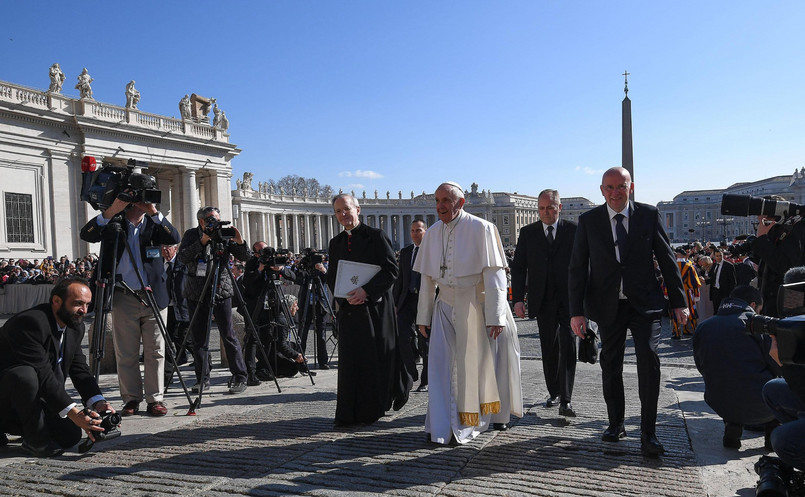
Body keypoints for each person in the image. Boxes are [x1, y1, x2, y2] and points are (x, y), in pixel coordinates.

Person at [568, 167, 688, 457]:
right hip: (608, 305)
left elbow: (667, 258)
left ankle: (649, 434)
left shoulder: (648, 215)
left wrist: (678, 301)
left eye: (620, 186)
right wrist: (576, 312)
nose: (615, 192)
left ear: (630, 187)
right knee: (611, 364)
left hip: (645, 303)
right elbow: (577, 267)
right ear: (601, 190)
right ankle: (616, 423)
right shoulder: (589, 221)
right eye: (609, 187)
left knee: (649, 359)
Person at [415, 182, 523, 444]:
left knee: (475, 365)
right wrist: (423, 316)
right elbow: (427, 280)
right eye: (437, 200)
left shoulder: (482, 228)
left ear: (460, 203)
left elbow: (495, 275)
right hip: (444, 306)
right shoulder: (431, 233)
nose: (440, 206)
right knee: (441, 365)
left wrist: (496, 316)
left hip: (475, 304)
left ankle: (481, 418)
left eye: (446, 201)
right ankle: (441, 423)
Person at [80, 196, 180, 417]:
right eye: (134, 201)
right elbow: (86, 234)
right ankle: (131, 398)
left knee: (156, 351)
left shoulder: (154, 224)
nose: (138, 204)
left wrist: (154, 211)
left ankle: (156, 399)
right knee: (126, 352)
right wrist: (111, 210)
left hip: (153, 295)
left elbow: (174, 237)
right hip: (123, 294)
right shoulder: (114, 223)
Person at [0, 277, 114, 457]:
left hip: (31, 398)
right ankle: (35, 440)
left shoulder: (75, 326)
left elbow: (79, 369)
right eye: (78, 304)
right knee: (25, 374)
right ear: (56, 301)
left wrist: (97, 402)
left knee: (70, 436)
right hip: (7, 395)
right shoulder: (30, 323)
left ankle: (29, 429)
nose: (83, 311)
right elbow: (42, 374)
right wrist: (74, 413)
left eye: (87, 305)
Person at [326, 193, 412, 426]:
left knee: (374, 358)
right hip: (349, 310)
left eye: (346, 209)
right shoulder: (335, 244)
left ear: (358, 209)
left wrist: (366, 291)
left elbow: (390, 270)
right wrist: (344, 297)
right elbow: (333, 277)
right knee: (350, 360)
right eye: (338, 211)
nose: (343, 215)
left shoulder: (376, 236)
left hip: (374, 308)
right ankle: (348, 411)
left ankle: (372, 407)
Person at [511, 188, 578, 416]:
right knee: (548, 347)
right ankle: (555, 391)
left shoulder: (574, 231)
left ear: (560, 207)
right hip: (542, 300)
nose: (546, 212)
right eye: (542, 208)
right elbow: (518, 267)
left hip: (569, 299)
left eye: (550, 207)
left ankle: (566, 399)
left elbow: (584, 266)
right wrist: (518, 299)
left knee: (569, 346)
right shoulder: (528, 233)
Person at [693, 285, 781, 449]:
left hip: (719, 401)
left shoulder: (704, 327)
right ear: (753, 305)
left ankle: (732, 426)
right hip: (761, 405)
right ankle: (772, 437)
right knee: (781, 387)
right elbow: (777, 365)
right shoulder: (758, 325)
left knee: (731, 382)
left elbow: (700, 365)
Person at [177, 206, 251, 395]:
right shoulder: (191, 234)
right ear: (201, 221)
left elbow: (245, 257)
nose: (215, 223)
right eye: (210, 220)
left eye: (217, 219)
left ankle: (240, 376)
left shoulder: (223, 234)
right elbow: (183, 257)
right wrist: (202, 241)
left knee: (228, 333)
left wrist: (239, 241)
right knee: (199, 336)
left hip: (221, 290)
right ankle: (202, 378)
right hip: (196, 291)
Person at [394, 219, 428, 392]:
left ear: (425, 231)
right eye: (413, 230)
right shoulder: (406, 252)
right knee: (402, 335)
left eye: (419, 230)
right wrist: (395, 302)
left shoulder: (432, 250)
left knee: (425, 340)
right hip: (407, 299)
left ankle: (425, 380)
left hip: (425, 299)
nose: (415, 233)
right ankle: (411, 369)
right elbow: (400, 278)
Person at [161, 243, 191, 384]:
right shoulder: (158, 265)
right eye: (163, 247)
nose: (166, 250)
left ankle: (204, 369)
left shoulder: (183, 263)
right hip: (165, 309)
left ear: (176, 248)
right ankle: (167, 377)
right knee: (165, 343)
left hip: (183, 307)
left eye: (169, 247)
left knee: (187, 340)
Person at [296, 248, 330, 370]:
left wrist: (323, 271)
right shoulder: (304, 267)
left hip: (319, 303)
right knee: (303, 331)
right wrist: (301, 267)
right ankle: (300, 359)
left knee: (321, 333)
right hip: (306, 302)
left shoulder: (322, 268)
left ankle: (323, 361)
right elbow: (299, 279)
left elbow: (328, 281)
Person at [672, 248, 702, 339]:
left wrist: (666, 292)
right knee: (691, 311)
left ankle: (677, 332)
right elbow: (695, 283)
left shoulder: (671, 265)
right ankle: (692, 330)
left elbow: (666, 280)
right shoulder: (689, 266)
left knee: (675, 311)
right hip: (687, 291)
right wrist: (696, 294)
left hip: (674, 291)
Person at [708, 248, 736, 313]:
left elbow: (733, 281)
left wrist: (731, 295)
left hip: (725, 293)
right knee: (716, 311)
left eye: (720, 255)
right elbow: (712, 278)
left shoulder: (729, 266)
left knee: (725, 311)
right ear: (714, 256)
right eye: (717, 256)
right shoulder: (714, 265)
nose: (719, 257)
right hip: (715, 292)